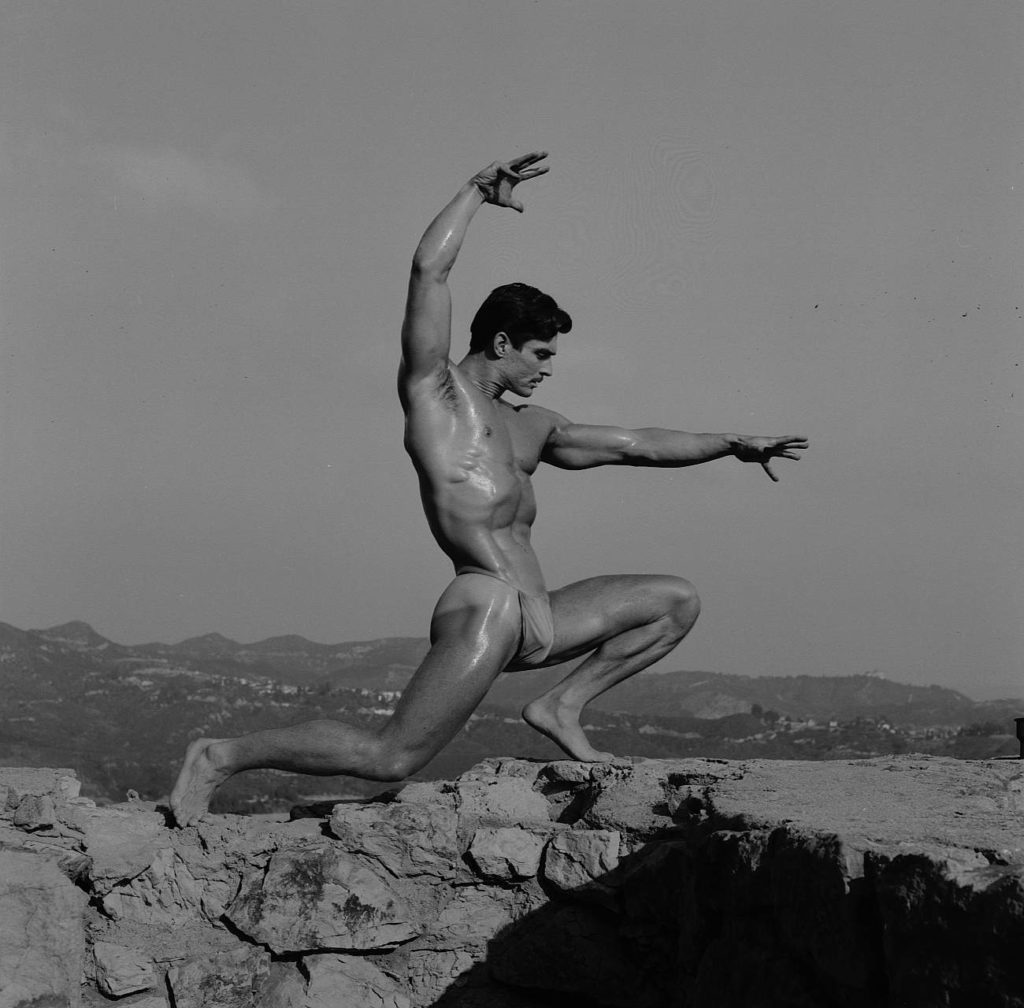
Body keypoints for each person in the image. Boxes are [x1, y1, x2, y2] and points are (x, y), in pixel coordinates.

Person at [169, 152, 808, 826]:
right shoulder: (436, 395)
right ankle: (219, 757)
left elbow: (637, 444)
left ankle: (560, 706)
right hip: (486, 602)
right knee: (390, 758)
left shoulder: (533, 429)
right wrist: (476, 193)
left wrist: (731, 444)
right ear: (502, 341)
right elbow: (429, 272)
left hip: (539, 616)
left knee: (673, 601)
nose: (549, 370)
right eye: (541, 355)